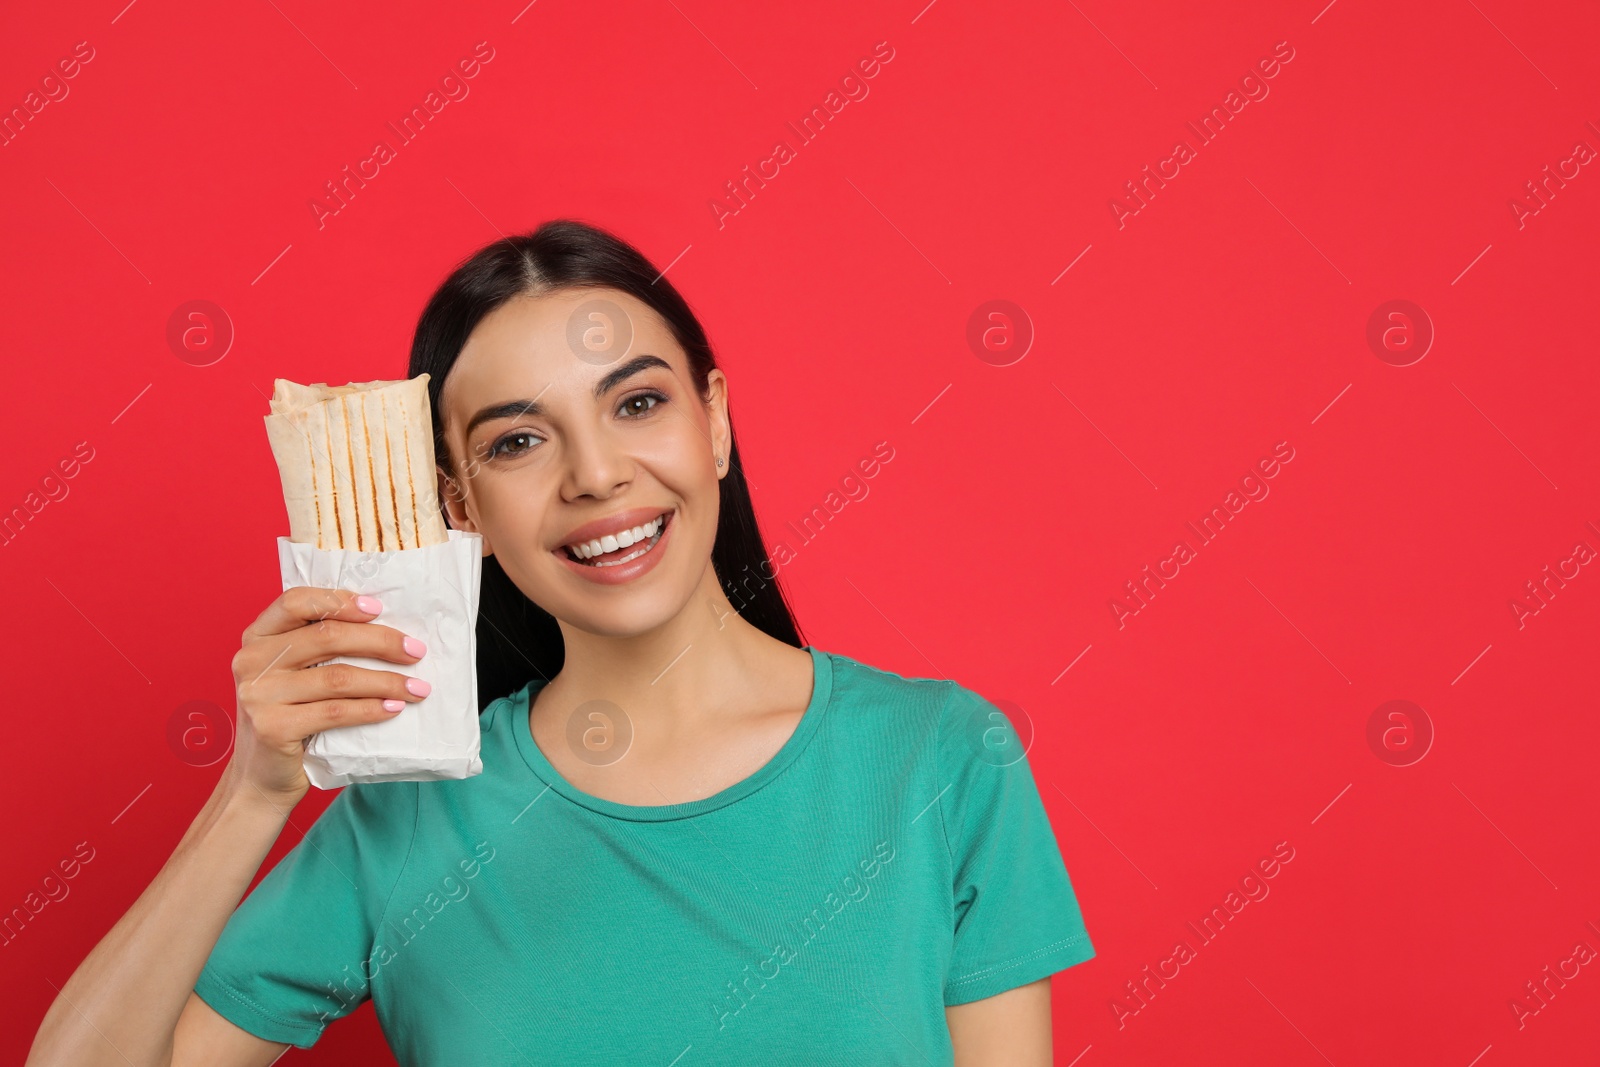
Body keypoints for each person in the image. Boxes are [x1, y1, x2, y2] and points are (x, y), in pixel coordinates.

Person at [27, 220, 1094, 1067]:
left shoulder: (941, 760)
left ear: (713, 422)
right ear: (463, 508)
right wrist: (251, 792)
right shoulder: (412, 814)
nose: (595, 474)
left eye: (636, 402)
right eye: (519, 440)